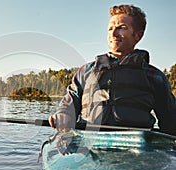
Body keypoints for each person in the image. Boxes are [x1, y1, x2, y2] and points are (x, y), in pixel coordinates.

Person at [49, 4, 176, 135]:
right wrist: (63, 115)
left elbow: (171, 122)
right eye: (110, 29)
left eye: (122, 28)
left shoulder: (154, 76)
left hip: (135, 151)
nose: (114, 34)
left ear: (138, 35)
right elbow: (69, 104)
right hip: (88, 147)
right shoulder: (85, 71)